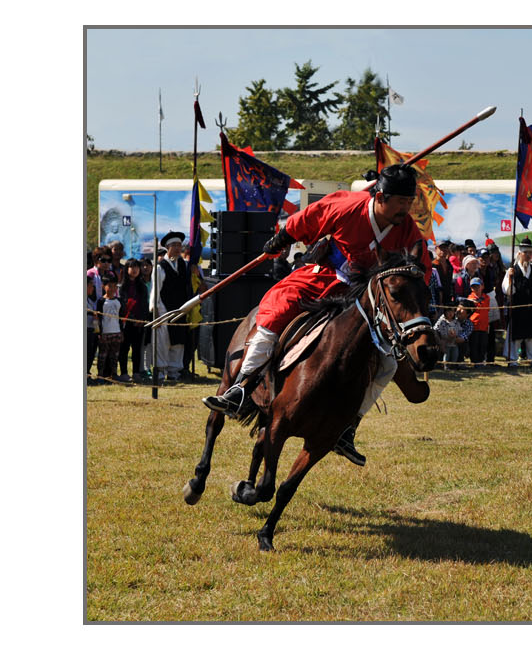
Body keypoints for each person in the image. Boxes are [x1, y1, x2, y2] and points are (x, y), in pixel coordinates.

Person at [203, 164, 427, 467]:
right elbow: (307, 219)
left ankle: (349, 426)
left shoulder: (408, 228)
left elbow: (417, 268)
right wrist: (283, 237)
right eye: (401, 202)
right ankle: (241, 388)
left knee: (387, 360)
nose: (406, 209)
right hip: (324, 278)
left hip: (366, 299)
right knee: (274, 314)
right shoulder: (348, 205)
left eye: (409, 201)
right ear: (381, 196)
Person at [149, 232, 193, 382]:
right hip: (164, 310)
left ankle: (174, 372)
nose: (177, 248)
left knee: (178, 342)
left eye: (179, 245)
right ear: (167, 248)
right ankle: (160, 372)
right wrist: (156, 310)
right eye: (174, 245)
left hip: (181, 310)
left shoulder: (184, 265)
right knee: (162, 342)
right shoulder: (160, 267)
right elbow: (156, 290)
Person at [501, 237, 532, 369]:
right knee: (515, 336)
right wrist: (510, 278)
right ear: (519, 254)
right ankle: (512, 359)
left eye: (530, 253)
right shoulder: (512, 270)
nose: (528, 256)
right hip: (517, 308)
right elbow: (508, 290)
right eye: (525, 253)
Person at [118, 258, 148, 381]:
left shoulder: (142, 286)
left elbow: (145, 305)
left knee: (137, 349)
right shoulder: (121, 286)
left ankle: (136, 372)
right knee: (124, 348)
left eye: (136, 267)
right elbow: (121, 305)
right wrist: (130, 319)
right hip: (125, 322)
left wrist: (142, 319)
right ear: (127, 269)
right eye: (132, 267)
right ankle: (124, 372)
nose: (135, 269)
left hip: (139, 323)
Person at [97, 274, 123, 380]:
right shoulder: (101, 301)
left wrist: (121, 331)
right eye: (109, 286)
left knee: (114, 355)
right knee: (102, 356)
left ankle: (114, 374)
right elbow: (98, 318)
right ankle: (100, 375)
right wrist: (100, 332)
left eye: (114, 286)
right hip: (105, 333)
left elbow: (120, 318)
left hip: (116, 332)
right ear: (104, 286)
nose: (112, 289)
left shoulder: (118, 301)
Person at [435, 299, 474, 367]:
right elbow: (435, 329)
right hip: (442, 340)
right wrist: (441, 341)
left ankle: (458, 362)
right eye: (458, 307)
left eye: (462, 309)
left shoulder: (469, 324)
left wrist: (451, 337)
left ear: (467, 314)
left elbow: (461, 339)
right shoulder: (447, 315)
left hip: (455, 343)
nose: (458, 310)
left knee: (463, 344)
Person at [466, 279, 490, 367]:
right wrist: (473, 302)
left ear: (482, 287)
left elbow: (486, 307)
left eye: (477, 286)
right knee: (474, 344)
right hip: (474, 326)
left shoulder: (486, 297)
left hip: (484, 326)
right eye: (473, 287)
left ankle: (481, 360)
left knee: (483, 344)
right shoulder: (470, 298)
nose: (476, 288)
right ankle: (475, 361)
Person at [86, 275, 100, 382]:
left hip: (92, 329)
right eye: (91, 285)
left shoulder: (90, 300)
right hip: (86, 330)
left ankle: (87, 372)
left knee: (91, 353)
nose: (92, 288)